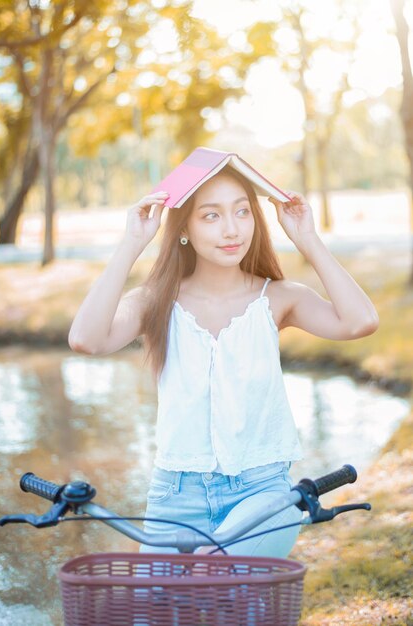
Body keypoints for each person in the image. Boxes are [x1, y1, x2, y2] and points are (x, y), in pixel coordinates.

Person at [68, 164, 379, 558]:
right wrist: (131, 245)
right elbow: (85, 340)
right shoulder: (156, 300)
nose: (232, 229)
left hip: (262, 491)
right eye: (211, 215)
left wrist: (308, 239)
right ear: (183, 228)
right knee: (151, 616)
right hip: (175, 496)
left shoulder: (278, 298)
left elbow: (361, 321)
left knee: (211, 575)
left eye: (242, 211)